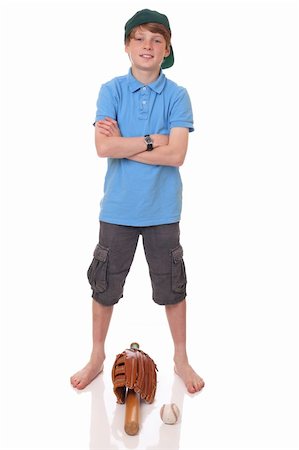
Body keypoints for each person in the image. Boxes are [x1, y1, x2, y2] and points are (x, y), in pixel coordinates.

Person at [70, 9, 204, 394]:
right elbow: (102, 146)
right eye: (140, 38)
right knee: (104, 284)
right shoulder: (110, 90)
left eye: (157, 40)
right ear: (127, 45)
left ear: (167, 50)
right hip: (118, 209)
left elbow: (176, 154)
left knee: (171, 285)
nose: (148, 46)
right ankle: (97, 354)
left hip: (163, 210)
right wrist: (151, 140)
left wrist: (124, 144)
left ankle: (180, 356)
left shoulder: (178, 95)